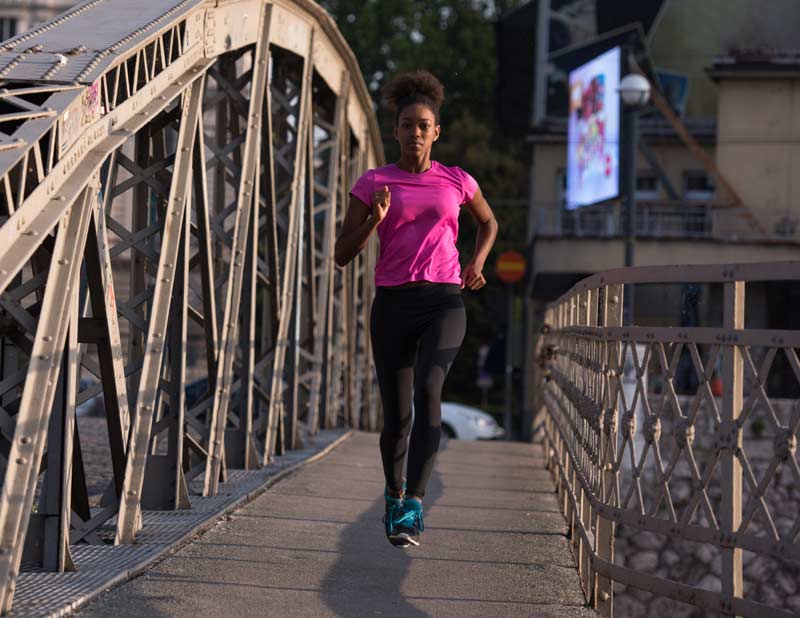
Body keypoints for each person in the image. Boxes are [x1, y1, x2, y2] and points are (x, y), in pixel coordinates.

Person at [334, 70, 498, 547]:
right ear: (396, 129)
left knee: (430, 390)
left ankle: (413, 505)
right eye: (407, 124)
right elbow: (343, 253)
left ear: (436, 131)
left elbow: (488, 223)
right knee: (397, 416)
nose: (416, 132)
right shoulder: (373, 182)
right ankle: (393, 492)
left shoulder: (457, 180)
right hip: (393, 305)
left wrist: (477, 261)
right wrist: (375, 222)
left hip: (444, 300)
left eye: (424, 125)